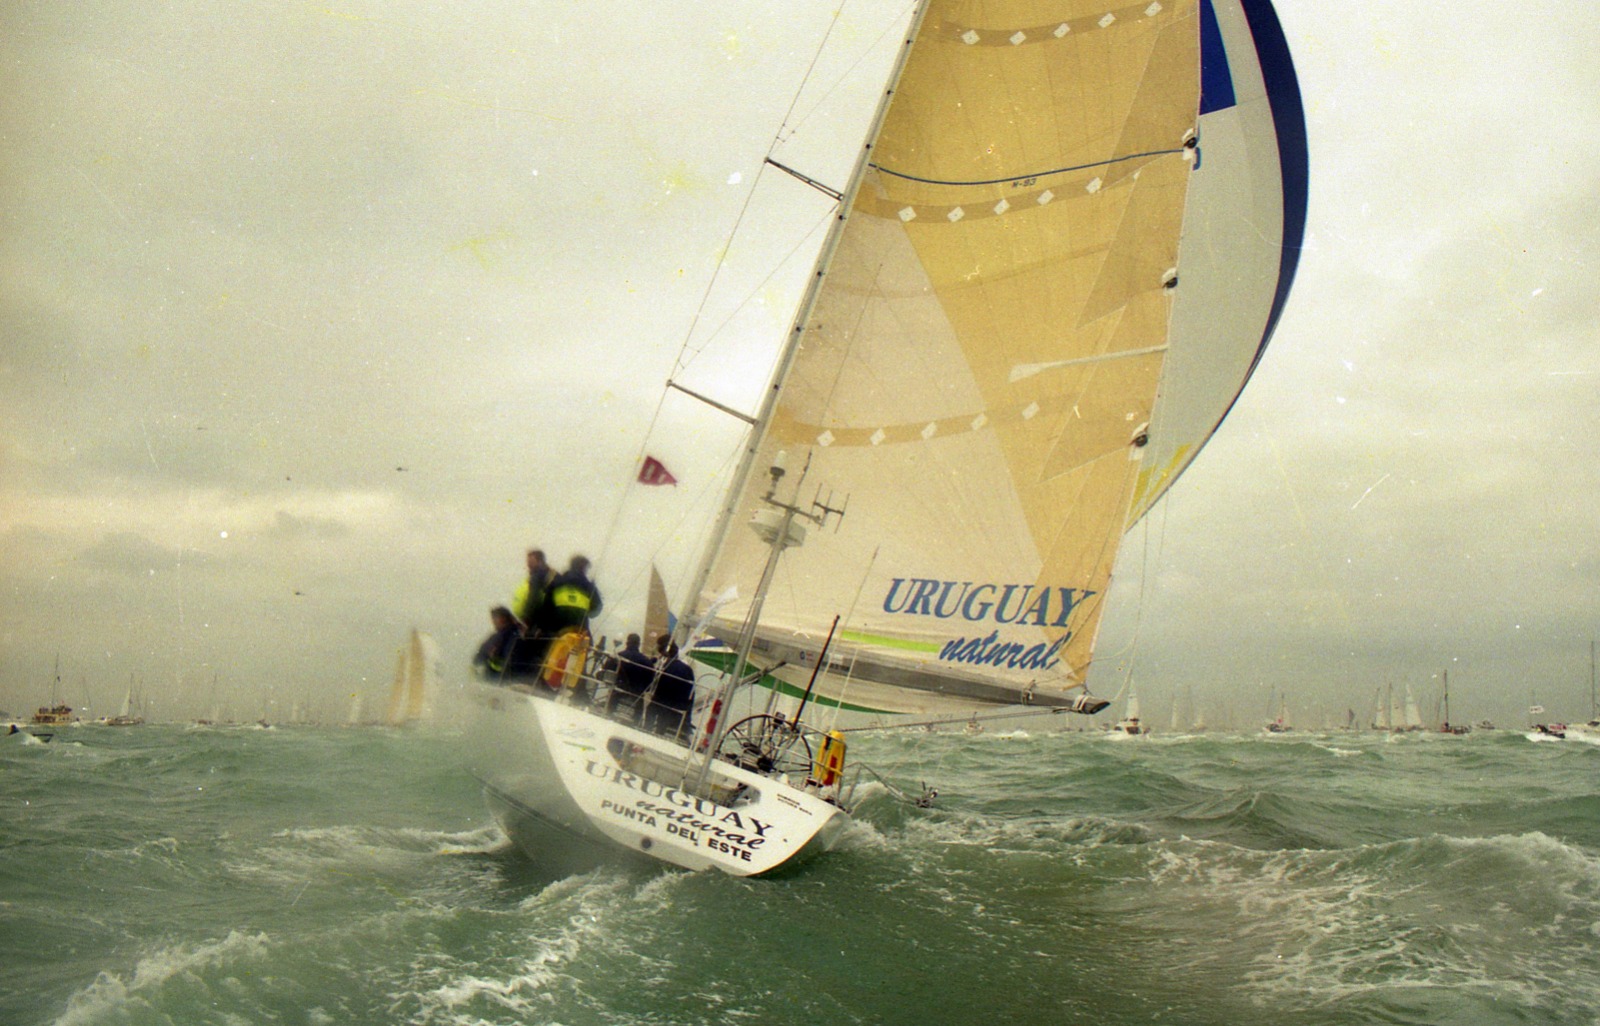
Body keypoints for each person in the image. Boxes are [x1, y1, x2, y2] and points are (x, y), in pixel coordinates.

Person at [643, 635, 695, 743]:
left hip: (665, 704)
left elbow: (660, 690)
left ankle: (645, 732)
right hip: (680, 708)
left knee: (651, 709)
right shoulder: (688, 669)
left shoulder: (667, 667)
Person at [538, 555, 603, 636]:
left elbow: (545, 609)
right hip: (579, 635)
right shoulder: (589, 587)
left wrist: (541, 629)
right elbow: (596, 610)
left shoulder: (556, 583)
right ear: (584, 569)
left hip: (555, 635)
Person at [606, 633, 654, 723]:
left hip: (618, 690)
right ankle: (636, 722)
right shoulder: (648, 662)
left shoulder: (618, 656)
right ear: (639, 644)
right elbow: (649, 686)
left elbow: (607, 672)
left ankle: (608, 713)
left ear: (627, 643)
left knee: (613, 692)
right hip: (637, 694)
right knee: (640, 699)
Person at [472, 606, 522, 680]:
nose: (493, 622)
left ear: (503, 619)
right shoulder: (521, 633)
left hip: (497, 678)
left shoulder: (497, 638)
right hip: (518, 676)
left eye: (495, 618)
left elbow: (477, 659)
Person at [511, 549, 553, 630]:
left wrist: (527, 618)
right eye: (528, 562)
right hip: (538, 620)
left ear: (540, 561)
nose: (528, 565)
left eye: (531, 562)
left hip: (536, 620)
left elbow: (534, 598)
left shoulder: (538, 575)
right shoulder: (546, 575)